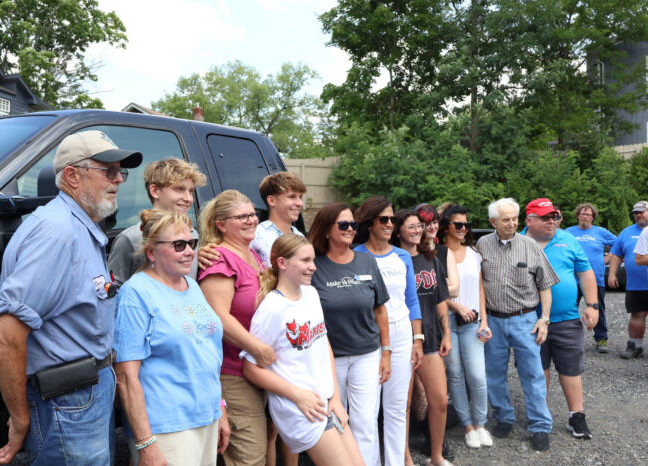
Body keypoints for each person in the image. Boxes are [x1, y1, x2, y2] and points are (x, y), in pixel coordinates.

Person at [0, 130, 142, 464]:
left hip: (81, 396)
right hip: (66, 404)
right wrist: (20, 418)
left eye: (121, 171)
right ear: (72, 176)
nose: (119, 179)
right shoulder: (58, 233)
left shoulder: (76, 227)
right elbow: (8, 334)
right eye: (108, 171)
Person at [114, 209, 229, 465]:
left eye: (192, 243)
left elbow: (207, 354)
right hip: (166, 426)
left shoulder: (193, 286)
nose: (189, 251)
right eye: (178, 245)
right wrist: (146, 443)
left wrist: (219, 409)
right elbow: (125, 377)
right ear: (152, 252)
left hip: (205, 417)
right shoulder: (136, 293)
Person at [242, 234, 365, 465]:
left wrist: (335, 397)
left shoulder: (311, 294)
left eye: (313, 260)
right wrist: (298, 396)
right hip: (302, 410)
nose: (313, 267)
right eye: (306, 261)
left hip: (327, 402)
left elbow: (323, 343)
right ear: (282, 263)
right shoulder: (272, 309)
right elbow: (251, 368)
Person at [308, 203, 390, 466]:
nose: (350, 229)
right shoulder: (314, 266)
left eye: (353, 225)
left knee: (366, 421)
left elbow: (380, 310)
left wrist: (386, 351)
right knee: (336, 421)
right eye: (343, 225)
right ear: (326, 230)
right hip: (330, 359)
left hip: (367, 353)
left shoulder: (367, 261)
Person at [198, 189, 274, 466]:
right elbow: (217, 317)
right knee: (248, 458)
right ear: (221, 225)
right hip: (233, 373)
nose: (251, 220)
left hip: (258, 370)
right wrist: (258, 348)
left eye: (253, 214)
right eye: (241, 217)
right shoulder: (219, 258)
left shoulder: (254, 253)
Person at [476, 198, 559, 452]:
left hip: (525, 320)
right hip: (494, 321)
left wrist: (544, 319)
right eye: (505, 220)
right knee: (494, 374)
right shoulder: (482, 245)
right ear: (493, 222)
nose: (512, 224)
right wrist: (483, 320)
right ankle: (504, 417)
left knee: (533, 374)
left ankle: (540, 426)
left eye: (514, 218)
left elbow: (545, 286)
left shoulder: (530, 246)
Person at [354, 196, 423, 466]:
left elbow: (412, 300)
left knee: (396, 408)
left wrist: (417, 340)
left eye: (392, 220)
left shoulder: (402, 255)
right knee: (367, 411)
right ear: (370, 222)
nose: (389, 224)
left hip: (402, 333)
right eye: (384, 219)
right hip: (369, 337)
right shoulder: (356, 255)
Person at [523, 198, 599, 440]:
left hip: (565, 318)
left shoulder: (567, 239)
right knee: (538, 368)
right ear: (529, 220)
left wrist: (592, 304)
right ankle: (540, 416)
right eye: (545, 217)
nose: (551, 221)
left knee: (570, 368)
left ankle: (576, 415)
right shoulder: (517, 242)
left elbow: (585, 271)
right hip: (528, 319)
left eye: (554, 216)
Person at [393, 210, 453, 466]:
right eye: (411, 226)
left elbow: (441, 301)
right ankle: (405, 456)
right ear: (398, 231)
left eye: (419, 226)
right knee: (402, 405)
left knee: (439, 400)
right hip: (401, 341)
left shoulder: (432, 259)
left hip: (429, 339)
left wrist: (447, 333)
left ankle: (436, 456)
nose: (418, 230)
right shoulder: (392, 260)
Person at [437, 205, 493, 450]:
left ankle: (481, 424)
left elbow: (480, 287)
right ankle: (468, 426)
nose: (463, 229)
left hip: (472, 321)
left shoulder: (473, 252)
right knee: (456, 375)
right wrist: (455, 306)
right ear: (446, 226)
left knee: (478, 376)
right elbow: (435, 292)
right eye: (458, 224)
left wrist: (484, 320)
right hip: (447, 321)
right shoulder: (437, 254)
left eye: (466, 225)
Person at [109, 158, 207, 284]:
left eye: (191, 191)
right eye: (179, 189)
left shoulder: (192, 234)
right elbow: (115, 292)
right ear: (155, 191)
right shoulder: (131, 238)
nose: (188, 198)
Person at [566, 203, 616, 353]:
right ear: (578, 216)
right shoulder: (568, 232)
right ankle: (568, 338)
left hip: (596, 279)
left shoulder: (601, 232)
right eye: (582, 214)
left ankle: (601, 339)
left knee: (597, 308)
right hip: (571, 279)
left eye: (588, 214)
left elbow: (619, 244)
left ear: (593, 217)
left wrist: (609, 257)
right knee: (568, 308)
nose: (585, 217)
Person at [609, 200, 648, 359]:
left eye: (641, 211)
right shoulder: (626, 232)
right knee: (637, 315)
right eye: (636, 213)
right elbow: (617, 254)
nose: (638, 215)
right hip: (636, 283)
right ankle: (635, 346)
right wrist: (612, 273)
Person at [251, 171, 307, 267]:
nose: (300, 203)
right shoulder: (255, 235)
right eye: (292, 197)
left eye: (300, 197)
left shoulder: (300, 236)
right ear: (272, 200)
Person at [415, 204, 460, 298]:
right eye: (427, 223)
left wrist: (426, 287)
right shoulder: (413, 250)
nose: (432, 227)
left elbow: (455, 291)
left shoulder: (445, 252)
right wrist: (443, 283)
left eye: (434, 222)